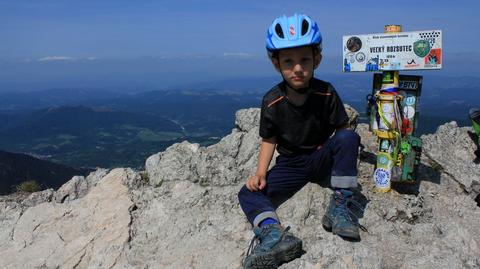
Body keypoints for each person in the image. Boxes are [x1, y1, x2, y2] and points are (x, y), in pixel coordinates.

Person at [238, 14, 363, 268]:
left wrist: (341, 157)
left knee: (349, 137)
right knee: (247, 193)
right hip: (291, 165)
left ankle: (340, 205)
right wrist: (260, 173)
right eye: (288, 61)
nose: (297, 68)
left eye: (305, 59)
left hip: (321, 158)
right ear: (277, 64)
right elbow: (269, 139)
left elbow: (342, 132)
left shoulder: (325, 92)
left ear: (317, 59)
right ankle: (275, 234)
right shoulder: (272, 101)